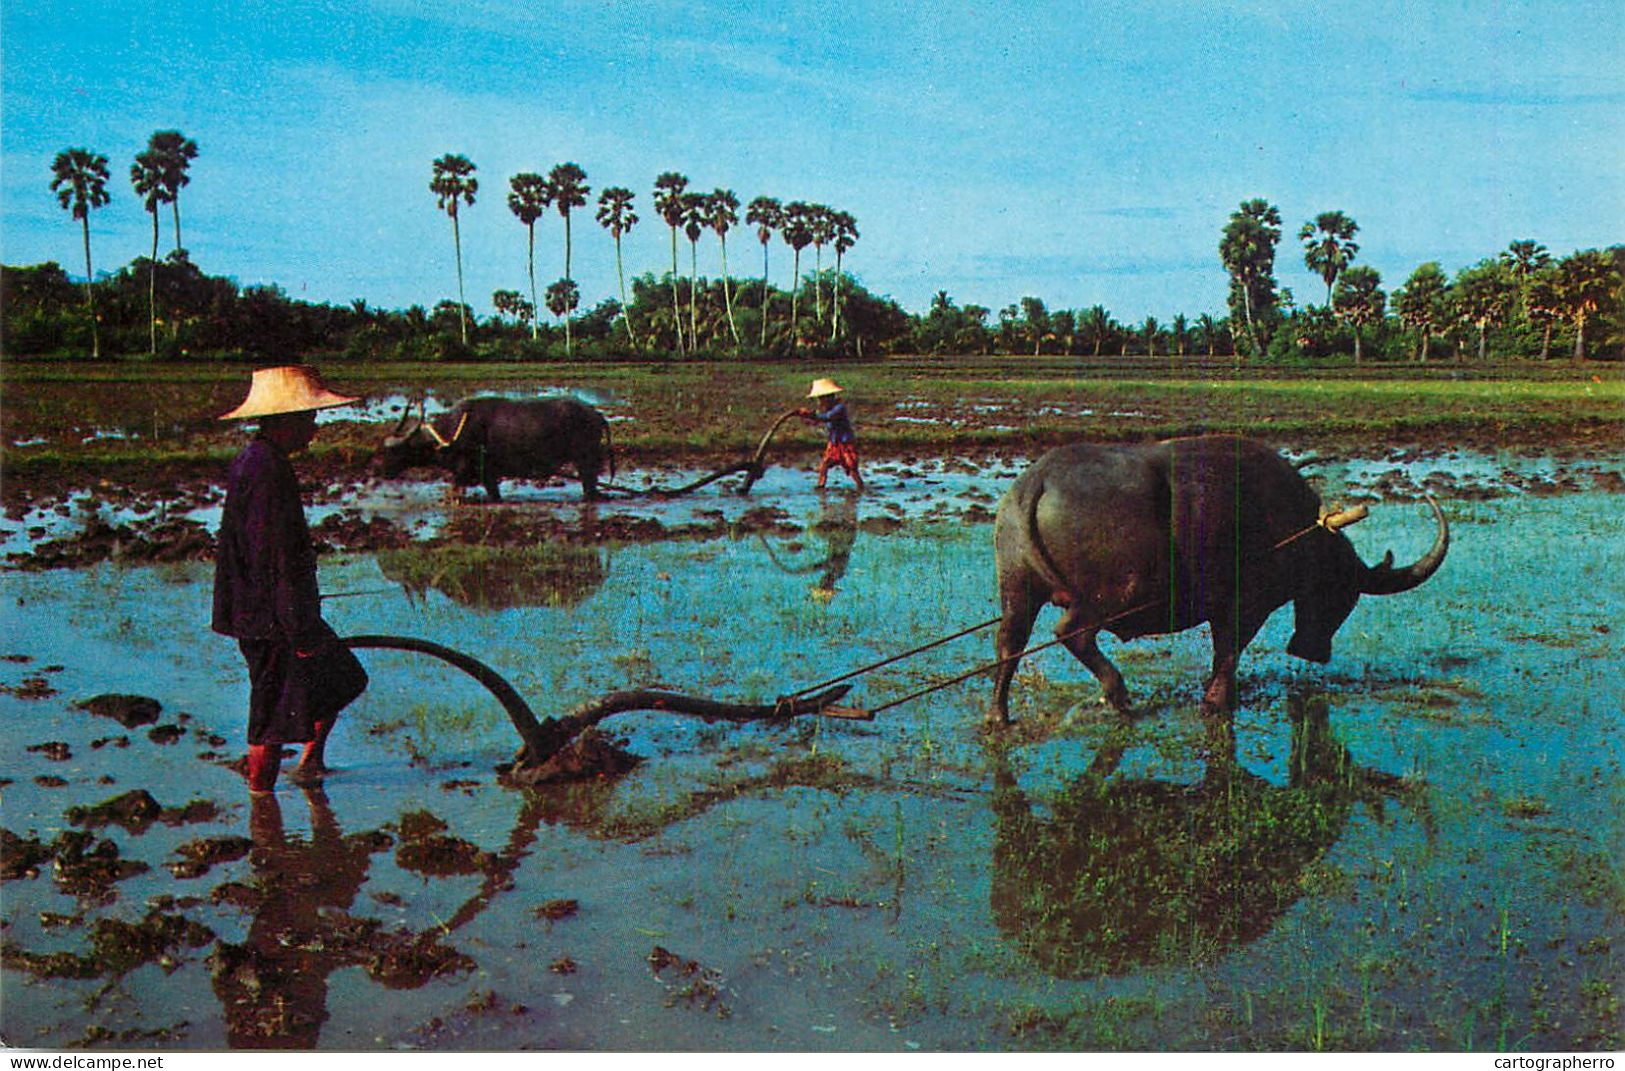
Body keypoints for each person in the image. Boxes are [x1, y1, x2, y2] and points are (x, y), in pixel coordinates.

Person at [213, 365, 367, 793]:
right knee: (270, 717)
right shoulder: (264, 470)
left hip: (278, 610)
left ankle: (309, 766)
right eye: (311, 419)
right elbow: (271, 556)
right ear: (288, 420)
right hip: (271, 618)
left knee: (341, 679)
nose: (315, 429)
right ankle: (262, 805)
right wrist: (297, 628)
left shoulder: (263, 461)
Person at [797, 377, 865, 492]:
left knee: (851, 466)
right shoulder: (827, 410)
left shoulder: (839, 408)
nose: (819, 402)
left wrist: (811, 415)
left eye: (821, 399)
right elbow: (821, 419)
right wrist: (807, 417)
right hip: (834, 443)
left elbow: (828, 417)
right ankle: (821, 485)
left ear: (829, 397)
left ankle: (860, 486)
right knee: (825, 464)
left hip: (845, 442)